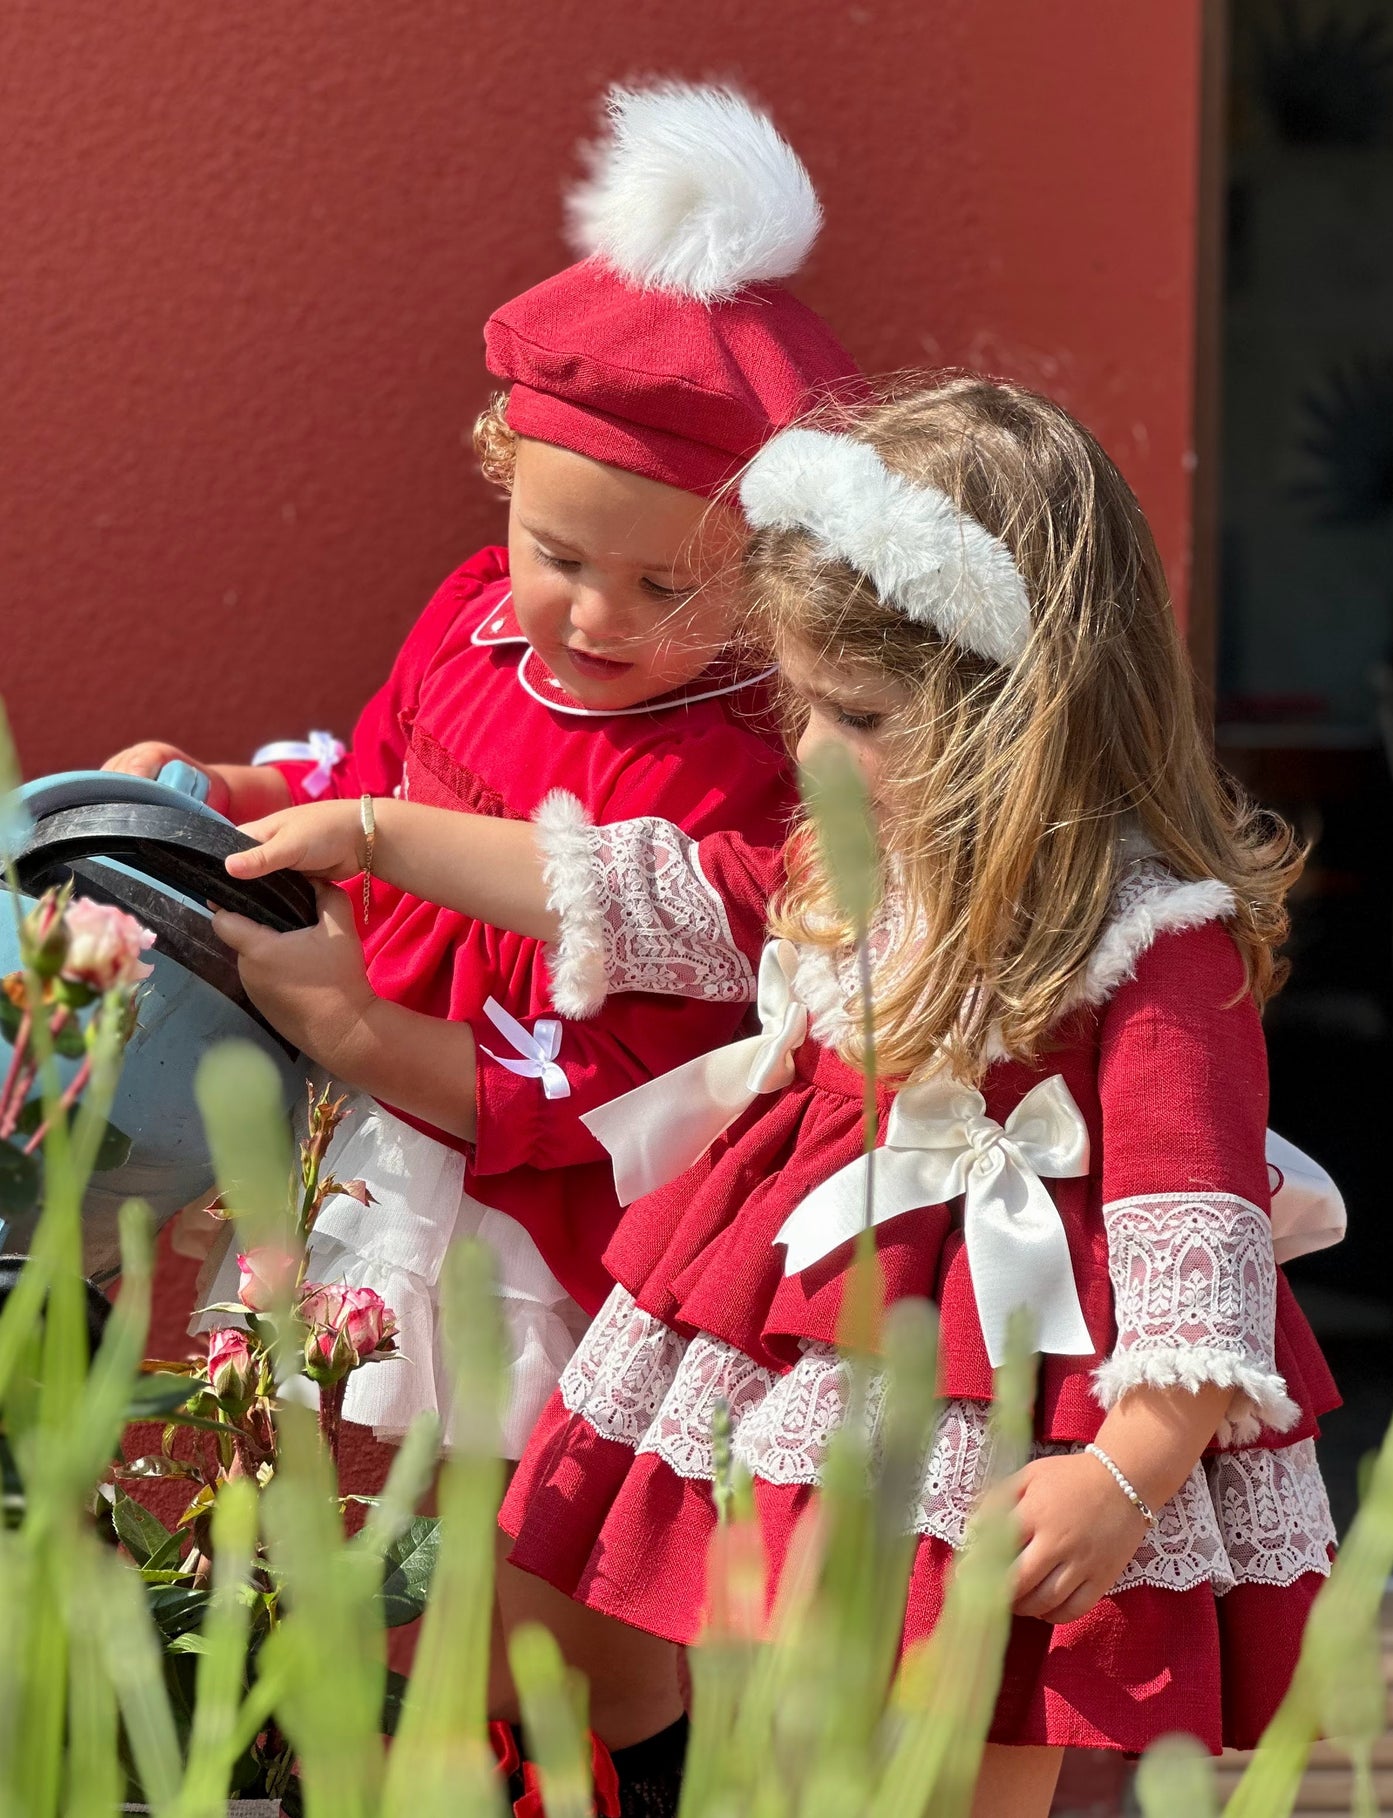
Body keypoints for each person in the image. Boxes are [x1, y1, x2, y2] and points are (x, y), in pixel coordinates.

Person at [224, 373, 1343, 1817]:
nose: (809, 756)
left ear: (1025, 713)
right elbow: (632, 884)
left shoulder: (1149, 940)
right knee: (779, 1708)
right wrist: (380, 831)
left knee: (976, 1730)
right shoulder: (848, 870)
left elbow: (1199, 1249)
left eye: (857, 718)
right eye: (803, 708)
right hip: (813, 1362)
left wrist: (1127, 1471)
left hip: (1021, 1406)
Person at [102, 80, 859, 1810]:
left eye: (674, 590)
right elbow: (368, 771)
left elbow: (620, 1088)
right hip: (382, 1156)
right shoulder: (467, 622)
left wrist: (365, 1037)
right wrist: (237, 787)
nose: (595, 615)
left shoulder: (740, 764)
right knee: (337, 1497)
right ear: (501, 476)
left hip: (559, 1207)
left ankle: (646, 1779)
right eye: (556, 554)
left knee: (552, 1577)